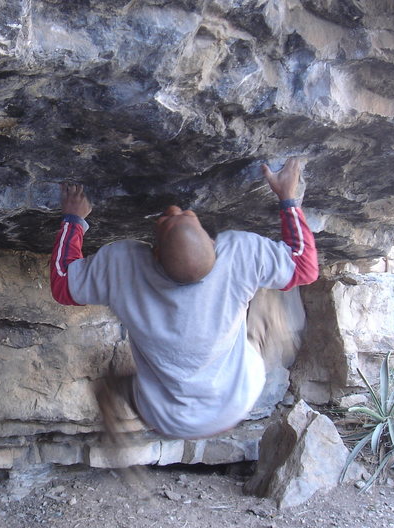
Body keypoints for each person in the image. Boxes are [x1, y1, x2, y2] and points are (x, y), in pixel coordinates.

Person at [49, 158, 318, 439]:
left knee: (126, 381)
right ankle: (263, 333)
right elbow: (305, 267)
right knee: (267, 293)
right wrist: (287, 197)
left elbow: (63, 285)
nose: (174, 208)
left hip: (164, 416)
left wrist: (73, 219)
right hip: (234, 402)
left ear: (154, 254)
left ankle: (114, 401)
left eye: (173, 217)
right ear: (213, 243)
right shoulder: (241, 256)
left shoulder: (123, 267)